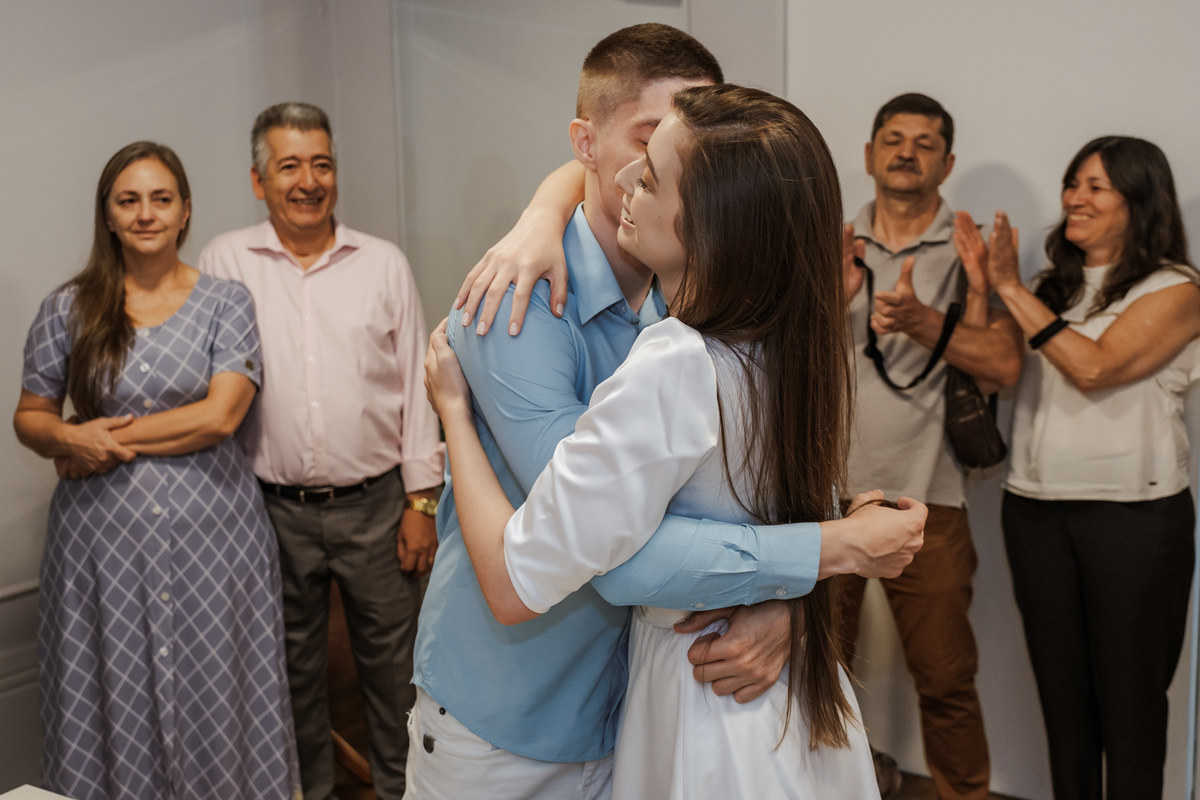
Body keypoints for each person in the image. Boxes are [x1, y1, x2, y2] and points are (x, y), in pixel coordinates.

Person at [408, 25, 923, 800]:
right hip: (515, 717)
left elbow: (778, 493)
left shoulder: (706, 324)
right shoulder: (514, 304)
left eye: (668, 165)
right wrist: (827, 552)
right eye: (643, 148)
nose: (640, 176)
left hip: (665, 700)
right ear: (586, 142)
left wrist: (788, 605)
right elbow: (591, 552)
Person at [13, 141, 300, 800]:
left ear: (185, 212)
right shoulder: (68, 309)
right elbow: (29, 416)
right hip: (97, 552)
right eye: (129, 201)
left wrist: (97, 442)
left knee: (218, 693)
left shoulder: (227, 302)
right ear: (108, 216)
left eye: (160, 199)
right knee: (108, 695)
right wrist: (61, 435)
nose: (146, 214)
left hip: (216, 545)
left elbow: (220, 416)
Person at [197, 102, 444, 800]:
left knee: (397, 677)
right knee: (288, 679)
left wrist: (422, 501)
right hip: (265, 512)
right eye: (289, 166)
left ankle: (407, 794)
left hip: (377, 508)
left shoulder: (382, 264)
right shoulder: (223, 260)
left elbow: (417, 389)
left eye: (322, 164)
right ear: (258, 180)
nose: (308, 181)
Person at [958, 136, 1200, 799]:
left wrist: (1012, 287)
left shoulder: (1177, 289)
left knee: (1130, 703)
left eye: (1096, 186)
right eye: (1072, 183)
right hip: (1035, 510)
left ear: (1140, 200)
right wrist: (983, 292)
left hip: (1135, 520)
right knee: (1063, 704)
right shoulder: (1051, 288)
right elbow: (998, 372)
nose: (1075, 198)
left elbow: (1095, 366)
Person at [829, 92, 1025, 800]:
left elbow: (1004, 366)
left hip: (929, 497)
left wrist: (922, 320)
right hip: (828, 497)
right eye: (893, 138)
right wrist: (831, 290)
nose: (906, 151)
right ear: (869, 154)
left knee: (946, 680)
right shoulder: (834, 239)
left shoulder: (970, 248)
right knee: (820, 678)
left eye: (924, 141)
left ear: (946, 162)